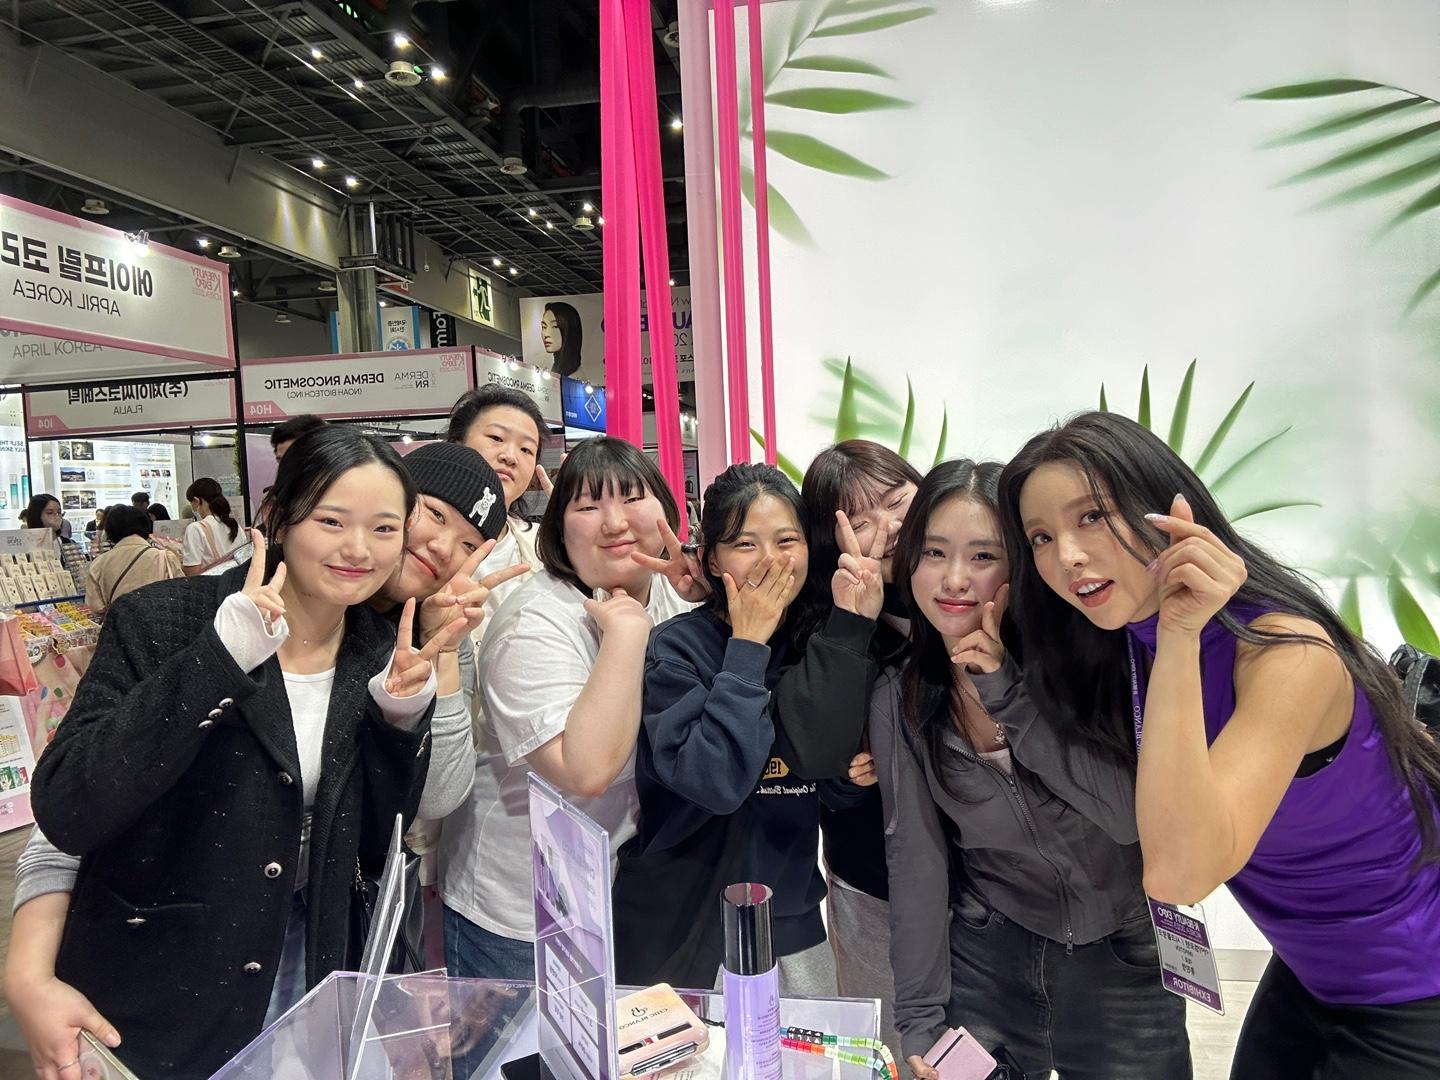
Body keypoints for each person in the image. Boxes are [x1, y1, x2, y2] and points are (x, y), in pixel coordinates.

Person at [8, 438, 521, 1080]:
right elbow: (74, 807)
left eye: (383, 528)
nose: (361, 548)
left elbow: (388, 825)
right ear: (280, 515)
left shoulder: (384, 647)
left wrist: (411, 697)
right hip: (167, 980)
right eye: (333, 520)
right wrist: (27, 972)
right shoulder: (172, 620)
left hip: (313, 966)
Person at [1001, 411, 1440, 1079]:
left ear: (1164, 511)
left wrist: (1180, 635)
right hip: (1308, 969)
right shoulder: (1120, 641)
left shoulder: (1287, 654)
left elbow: (1180, 874)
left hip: (1416, 980)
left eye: (1091, 516)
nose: (1067, 556)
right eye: (1041, 536)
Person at [874, 459, 1190, 1080]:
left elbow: (1127, 818)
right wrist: (918, 1016)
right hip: (987, 958)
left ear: (1020, 566)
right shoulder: (901, 697)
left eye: (984, 556)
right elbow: (915, 858)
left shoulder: (1089, 659)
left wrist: (1007, 693)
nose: (954, 579)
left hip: (1122, 957)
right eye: (934, 553)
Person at [615, 463, 884, 993]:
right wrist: (747, 645)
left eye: (787, 540)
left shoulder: (817, 639)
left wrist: (852, 777)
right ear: (711, 559)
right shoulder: (677, 648)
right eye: (744, 543)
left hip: (790, 917)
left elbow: (824, 775)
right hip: (684, 921)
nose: (769, 560)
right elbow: (714, 783)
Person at [439, 436, 694, 980]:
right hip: (525, 907)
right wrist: (627, 634)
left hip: (628, 888)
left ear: (669, 511)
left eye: (633, 498)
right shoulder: (533, 621)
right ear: (558, 528)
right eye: (588, 506)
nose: (615, 523)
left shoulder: (676, 593)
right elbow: (586, 771)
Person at [799, 440, 920, 1066]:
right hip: (873, 880)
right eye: (862, 521)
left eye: (898, 503)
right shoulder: (822, 623)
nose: (889, 530)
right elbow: (811, 756)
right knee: (891, 1049)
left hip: (986, 882)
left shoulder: (974, 593)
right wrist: (845, 780)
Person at [444, 385, 553, 640]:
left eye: (526, 449)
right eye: (496, 438)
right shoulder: (417, 538)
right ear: (457, 444)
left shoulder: (544, 545)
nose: (510, 456)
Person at [82, 504, 178, 617]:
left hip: (120, 623)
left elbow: (95, 606)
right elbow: (179, 595)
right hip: (160, 621)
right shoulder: (165, 557)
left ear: (110, 530)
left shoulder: (99, 563)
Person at [181, 478, 244, 576]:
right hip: (234, 581)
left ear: (197, 501)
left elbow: (193, 572)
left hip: (210, 583)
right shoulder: (235, 526)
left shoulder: (195, 528)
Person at [538, 301, 583, 378]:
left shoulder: (573, 378)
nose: (546, 334)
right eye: (544, 327)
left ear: (569, 329)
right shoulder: (556, 370)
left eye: (555, 326)